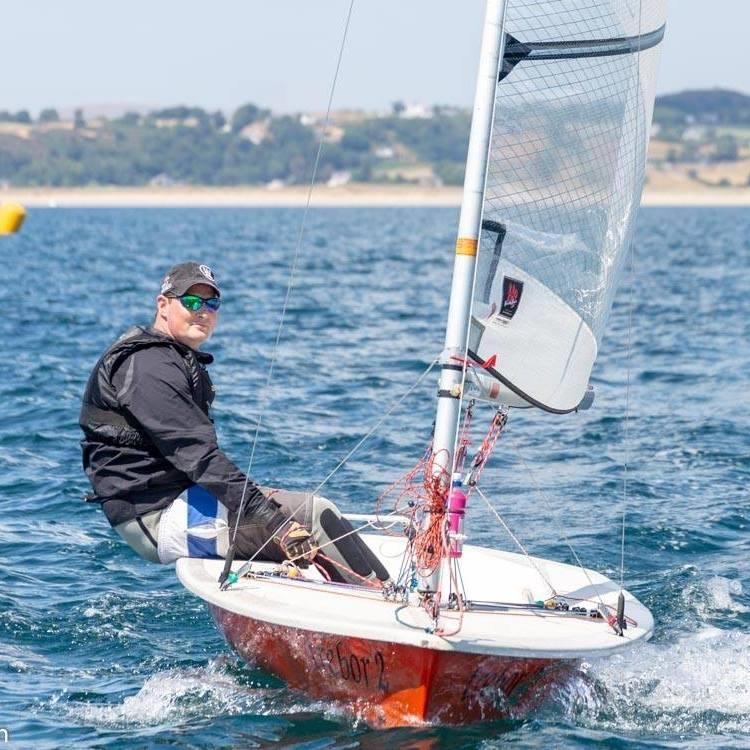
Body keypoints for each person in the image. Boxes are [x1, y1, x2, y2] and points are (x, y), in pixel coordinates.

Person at [80, 261, 389, 585]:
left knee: (324, 513)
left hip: (180, 497)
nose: (203, 311)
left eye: (211, 303)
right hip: (156, 516)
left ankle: (387, 592)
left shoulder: (168, 357)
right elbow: (199, 458)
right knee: (312, 516)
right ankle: (382, 610)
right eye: (191, 301)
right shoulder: (149, 367)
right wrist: (275, 523)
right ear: (163, 305)